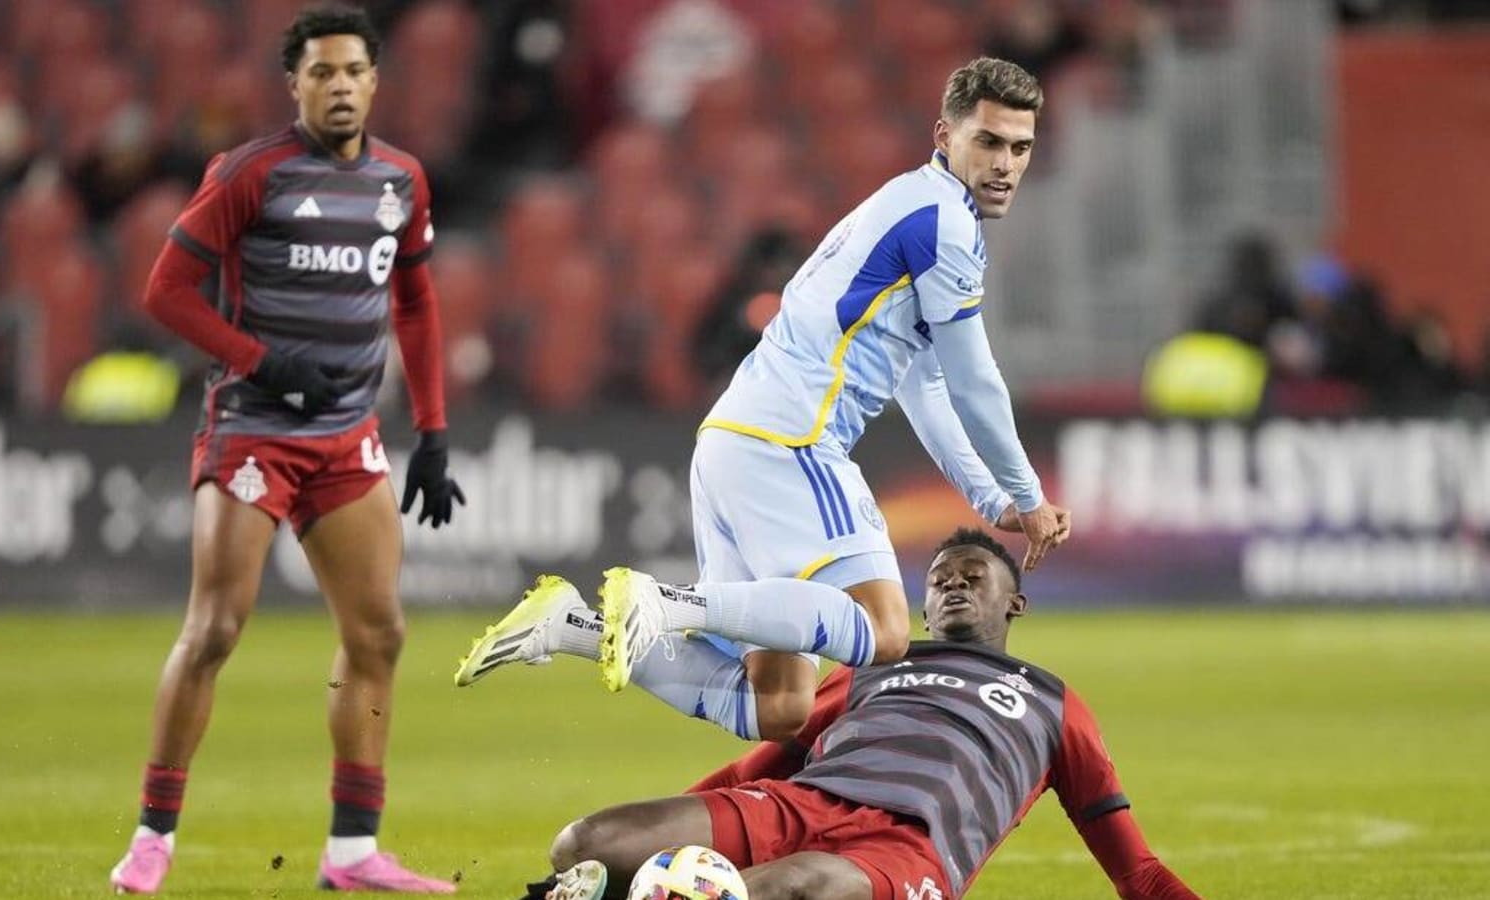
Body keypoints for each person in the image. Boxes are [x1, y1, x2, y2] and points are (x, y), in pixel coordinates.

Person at [455, 58, 1070, 746]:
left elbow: (923, 383)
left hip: (731, 442)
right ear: (944, 135)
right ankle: (666, 601)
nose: (1005, 164)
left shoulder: (905, 205)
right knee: (885, 629)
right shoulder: (944, 222)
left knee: (778, 705)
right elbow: (974, 379)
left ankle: (574, 626)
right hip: (792, 444)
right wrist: (1030, 493)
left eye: (1021, 148)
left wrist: (991, 501)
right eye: (988, 142)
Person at [108, 6, 465, 894]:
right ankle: (153, 835)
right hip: (253, 430)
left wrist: (433, 432)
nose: (339, 85)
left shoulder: (401, 180)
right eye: (321, 73)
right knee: (218, 627)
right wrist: (264, 362)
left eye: (353, 71)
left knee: (379, 631)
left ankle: (352, 852)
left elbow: (416, 304)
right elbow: (166, 291)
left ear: (375, 82)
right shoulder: (249, 172)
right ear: (295, 84)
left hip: (348, 439)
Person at [528, 530, 1202, 900]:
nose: (953, 585)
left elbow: (1135, 871)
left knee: (794, 886)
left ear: (1014, 604)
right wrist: (664, 839)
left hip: (907, 851)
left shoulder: (1053, 702)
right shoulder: (870, 668)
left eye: (972, 576)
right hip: (803, 805)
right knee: (585, 844)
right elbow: (755, 768)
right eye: (940, 579)